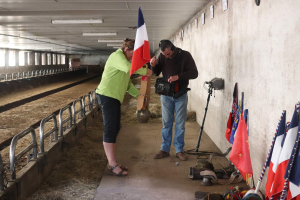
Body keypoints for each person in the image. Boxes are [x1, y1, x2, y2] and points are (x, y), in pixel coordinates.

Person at [96, 38, 152, 176]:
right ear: (127, 49)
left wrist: (141, 97)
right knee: (110, 129)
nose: (134, 57)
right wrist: (145, 72)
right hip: (107, 95)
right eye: (133, 54)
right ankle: (112, 164)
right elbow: (129, 69)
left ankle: (112, 162)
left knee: (115, 128)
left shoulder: (124, 62)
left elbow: (128, 86)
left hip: (114, 98)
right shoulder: (116, 57)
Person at [150, 40, 198, 161]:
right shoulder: (162, 56)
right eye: (164, 54)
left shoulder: (185, 55)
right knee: (166, 123)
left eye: (167, 54)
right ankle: (165, 149)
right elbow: (156, 72)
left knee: (180, 124)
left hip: (180, 94)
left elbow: (194, 73)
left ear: (172, 48)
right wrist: (153, 65)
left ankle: (179, 150)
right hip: (166, 95)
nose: (166, 56)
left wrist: (179, 76)